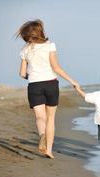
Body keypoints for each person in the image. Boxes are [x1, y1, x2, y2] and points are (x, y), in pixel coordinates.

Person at [17, 19, 79, 159]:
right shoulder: (50, 45)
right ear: (40, 32)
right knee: (51, 118)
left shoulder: (25, 50)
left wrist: (33, 76)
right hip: (50, 84)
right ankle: (49, 150)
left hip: (34, 85)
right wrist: (72, 80)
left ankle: (41, 135)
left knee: (40, 117)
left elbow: (21, 73)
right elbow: (56, 68)